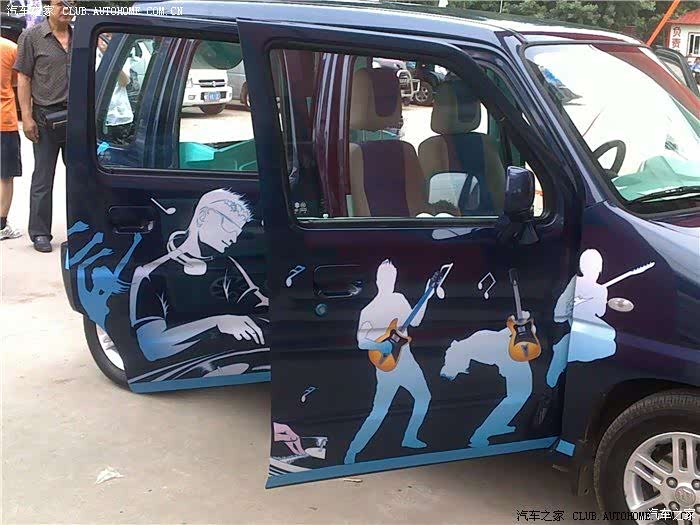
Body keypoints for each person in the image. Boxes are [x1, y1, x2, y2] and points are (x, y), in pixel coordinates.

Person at [129, 189, 267, 363]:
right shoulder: (149, 274)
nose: (233, 238)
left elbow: (259, 306)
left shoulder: (228, 266)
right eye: (230, 227)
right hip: (183, 367)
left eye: (238, 232)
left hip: (233, 362)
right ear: (203, 216)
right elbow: (152, 347)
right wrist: (218, 323)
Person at [344, 260, 436, 465]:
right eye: (386, 277)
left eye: (392, 277)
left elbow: (415, 321)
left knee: (424, 397)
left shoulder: (399, 299)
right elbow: (361, 342)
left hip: (407, 361)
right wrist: (381, 346)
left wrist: (427, 295)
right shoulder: (369, 310)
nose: (390, 281)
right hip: (386, 365)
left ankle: (409, 437)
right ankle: (352, 451)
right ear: (378, 280)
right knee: (379, 410)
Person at [14, 0, 73, 253]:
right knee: (43, 177)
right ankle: (39, 232)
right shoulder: (32, 37)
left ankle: (80, 230)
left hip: (77, 117)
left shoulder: (81, 35)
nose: (67, 8)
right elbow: (24, 77)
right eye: (61, 3)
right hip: (45, 117)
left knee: (80, 178)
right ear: (49, 6)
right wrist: (27, 117)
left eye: (72, 3)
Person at [0, 36, 22, 240]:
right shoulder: (9, 48)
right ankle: (1, 225)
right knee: (5, 176)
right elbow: (18, 80)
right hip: (4, 120)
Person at [95, 33, 134, 144]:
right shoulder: (91, 56)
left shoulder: (121, 55)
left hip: (120, 117)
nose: (106, 40)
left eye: (110, 36)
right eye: (104, 36)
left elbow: (124, 82)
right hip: (99, 115)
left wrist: (111, 58)